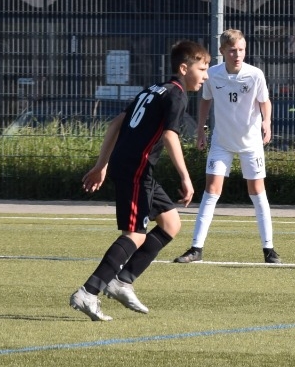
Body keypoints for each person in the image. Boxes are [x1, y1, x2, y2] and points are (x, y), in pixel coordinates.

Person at [70, 40, 211, 320]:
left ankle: (122, 281)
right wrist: (186, 178)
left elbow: (116, 123)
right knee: (135, 234)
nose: (206, 75)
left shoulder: (153, 89)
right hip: (136, 168)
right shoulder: (177, 95)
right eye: (203, 68)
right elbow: (170, 136)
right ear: (184, 68)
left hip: (134, 166)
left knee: (171, 223)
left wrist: (102, 166)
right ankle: (89, 291)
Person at [174, 28, 280, 264]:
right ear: (222, 51)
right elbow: (205, 101)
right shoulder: (213, 74)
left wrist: (267, 122)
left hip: (250, 144)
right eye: (232, 50)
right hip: (221, 142)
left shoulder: (255, 75)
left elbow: (265, 101)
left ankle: (269, 250)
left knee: (257, 193)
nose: (237, 54)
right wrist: (201, 129)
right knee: (211, 192)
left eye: (241, 50)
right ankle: (196, 249)